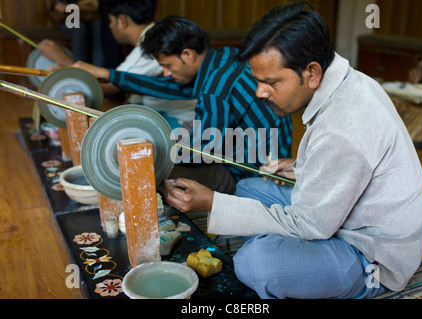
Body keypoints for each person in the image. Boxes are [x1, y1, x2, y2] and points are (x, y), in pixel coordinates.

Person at [163, 2, 422, 299]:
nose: (259, 92)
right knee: (249, 188)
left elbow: (311, 223)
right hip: (344, 216)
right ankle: (281, 246)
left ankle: (291, 256)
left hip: (372, 253)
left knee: (255, 263)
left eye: (271, 82)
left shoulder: (343, 127)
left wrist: (212, 202)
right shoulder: (348, 81)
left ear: (312, 73)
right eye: (257, 80)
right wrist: (302, 166)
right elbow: (344, 167)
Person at [72, 15, 293, 194]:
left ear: (187, 55)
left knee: (156, 172)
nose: (166, 73)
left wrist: (153, 153)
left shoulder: (213, 90)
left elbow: (204, 150)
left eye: (167, 66)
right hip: (276, 152)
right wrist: (108, 74)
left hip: (253, 174)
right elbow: (170, 86)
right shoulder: (227, 56)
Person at [40, 0, 196, 127]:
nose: (109, 26)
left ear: (122, 20)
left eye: (110, 21)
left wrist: (63, 60)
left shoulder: (153, 44)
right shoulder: (150, 38)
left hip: (179, 124)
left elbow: (109, 86)